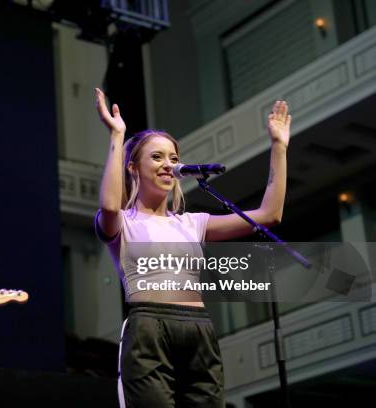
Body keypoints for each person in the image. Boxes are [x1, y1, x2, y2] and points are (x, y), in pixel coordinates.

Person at [94, 88, 290, 407]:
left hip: (198, 329)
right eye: (156, 157)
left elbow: (269, 215)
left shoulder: (191, 223)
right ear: (133, 168)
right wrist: (117, 136)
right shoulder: (123, 223)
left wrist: (279, 147)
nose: (168, 165)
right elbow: (110, 206)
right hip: (148, 327)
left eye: (173, 158)